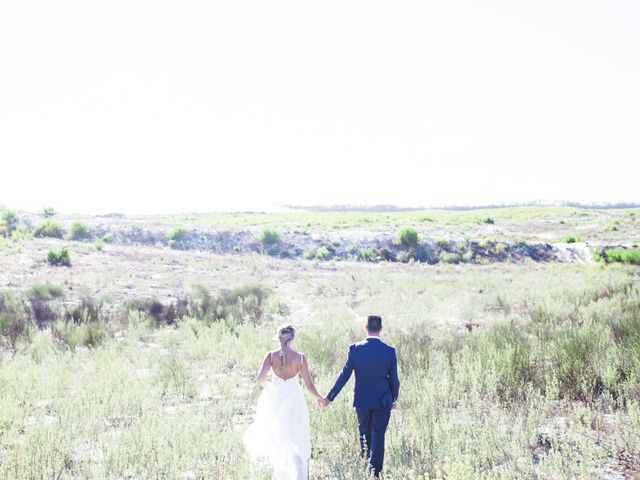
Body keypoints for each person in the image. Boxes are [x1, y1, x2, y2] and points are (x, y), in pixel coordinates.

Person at [320, 315, 400, 478]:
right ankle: (374, 472)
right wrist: (393, 399)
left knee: (364, 431)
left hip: (362, 400)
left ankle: (365, 463)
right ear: (381, 329)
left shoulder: (355, 349)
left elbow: (344, 375)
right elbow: (394, 379)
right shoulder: (389, 351)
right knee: (378, 434)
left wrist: (330, 397)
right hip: (383, 400)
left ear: (365, 327)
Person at [244, 324, 324, 480]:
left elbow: (260, 379)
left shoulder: (270, 356)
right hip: (294, 399)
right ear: (292, 338)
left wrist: (269, 387)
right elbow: (309, 384)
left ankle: (281, 473)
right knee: (296, 434)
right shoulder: (300, 358)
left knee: (277, 434)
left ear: (278, 338)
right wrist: (319, 397)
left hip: (276, 398)